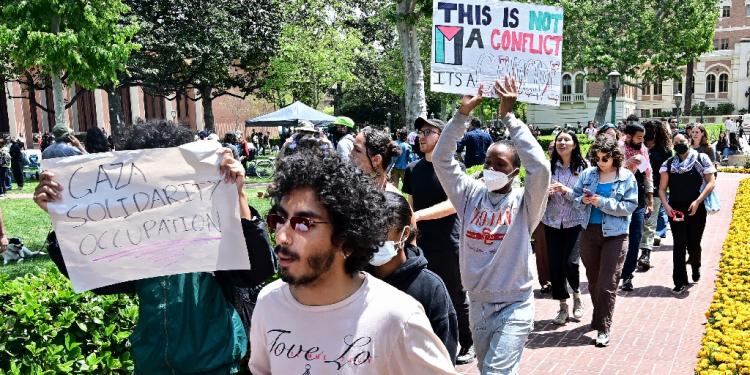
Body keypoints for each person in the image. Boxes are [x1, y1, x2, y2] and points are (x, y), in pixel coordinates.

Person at [33, 119, 279, 375]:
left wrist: (238, 195)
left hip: (215, 362)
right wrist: (62, 216)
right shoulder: (133, 234)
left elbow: (257, 270)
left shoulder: (210, 223)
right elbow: (100, 281)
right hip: (151, 363)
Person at [248, 146, 456, 375]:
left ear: (346, 238)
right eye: (279, 219)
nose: (281, 236)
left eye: (303, 223)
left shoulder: (397, 317)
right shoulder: (269, 303)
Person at [432, 76, 550, 373]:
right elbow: (441, 159)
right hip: (478, 305)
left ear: (515, 172)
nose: (492, 168)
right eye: (488, 162)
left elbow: (541, 167)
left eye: (501, 164)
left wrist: (509, 116)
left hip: (515, 306)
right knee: (488, 371)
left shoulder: (526, 203)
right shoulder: (469, 195)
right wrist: (461, 116)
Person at [402, 115, 474, 365]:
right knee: (423, 295)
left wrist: (418, 216)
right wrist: (409, 233)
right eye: (420, 132)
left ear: (442, 137)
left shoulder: (454, 168)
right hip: (420, 244)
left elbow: (454, 204)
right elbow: (410, 202)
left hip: (447, 242)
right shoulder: (412, 169)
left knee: (456, 295)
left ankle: (468, 342)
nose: (422, 136)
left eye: (429, 131)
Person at [371, 191, 459, 365]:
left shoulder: (430, 288)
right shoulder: (354, 279)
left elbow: (443, 357)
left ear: (405, 234)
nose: (373, 239)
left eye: (382, 232)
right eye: (367, 230)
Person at [573, 137, 638, 347]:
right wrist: (582, 200)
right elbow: (574, 199)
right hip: (589, 233)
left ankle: (603, 327)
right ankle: (600, 316)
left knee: (608, 283)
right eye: (597, 158)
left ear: (614, 156)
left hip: (616, 234)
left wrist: (601, 202)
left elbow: (629, 206)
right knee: (593, 282)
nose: (600, 162)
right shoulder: (587, 174)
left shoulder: (626, 177)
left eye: (605, 158)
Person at [659, 132, 716, 294]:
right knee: (679, 244)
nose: (679, 144)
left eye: (682, 141)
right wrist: (666, 205)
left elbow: (711, 182)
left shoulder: (701, 159)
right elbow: (662, 189)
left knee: (693, 242)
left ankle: (695, 263)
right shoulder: (668, 164)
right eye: (675, 142)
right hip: (676, 210)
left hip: (696, 208)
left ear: (689, 141)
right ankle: (680, 281)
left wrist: (698, 201)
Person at [543, 130, 589, 325]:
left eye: (566, 140)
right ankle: (562, 306)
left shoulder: (584, 168)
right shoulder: (548, 167)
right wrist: (546, 192)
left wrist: (566, 190)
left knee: (570, 263)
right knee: (555, 265)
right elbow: (536, 191)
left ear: (575, 144)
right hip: (551, 221)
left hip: (574, 221)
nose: (562, 142)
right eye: (559, 139)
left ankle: (577, 296)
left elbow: (585, 198)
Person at [618, 122, 653, 291]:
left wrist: (650, 201)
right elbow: (607, 171)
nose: (642, 140)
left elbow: (647, 176)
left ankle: (627, 275)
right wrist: (626, 163)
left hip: (638, 201)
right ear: (629, 136)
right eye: (639, 137)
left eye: (643, 137)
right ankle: (614, 271)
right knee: (617, 238)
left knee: (635, 237)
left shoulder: (643, 150)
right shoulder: (617, 149)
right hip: (618, 200)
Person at [637, 120, 672, 268]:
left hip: (656, 191)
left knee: (650, 222)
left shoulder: (664, 151)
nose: (647, 133)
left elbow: (667, 173)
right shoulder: (637, 148)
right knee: (636, 223)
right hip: (636, 190)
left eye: (650, 130)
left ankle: (645, 253)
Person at [349, 128, 402, 193]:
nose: (349, 154)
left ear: (376, 160)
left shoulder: (392, 199)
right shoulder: (350, 189)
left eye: (357, 150)